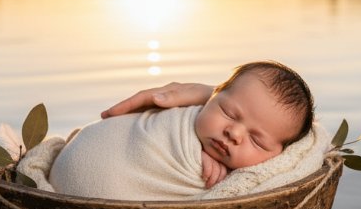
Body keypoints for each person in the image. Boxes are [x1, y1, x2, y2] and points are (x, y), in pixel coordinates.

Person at [40, 61, 315, 200]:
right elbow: (155, 138)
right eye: (229, 113)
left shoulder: (261, 168)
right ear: (210, 97)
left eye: (256, 140)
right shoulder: (176, 119)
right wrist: (196, 153)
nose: (234, 133)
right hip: (89, 157)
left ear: (280, 155)